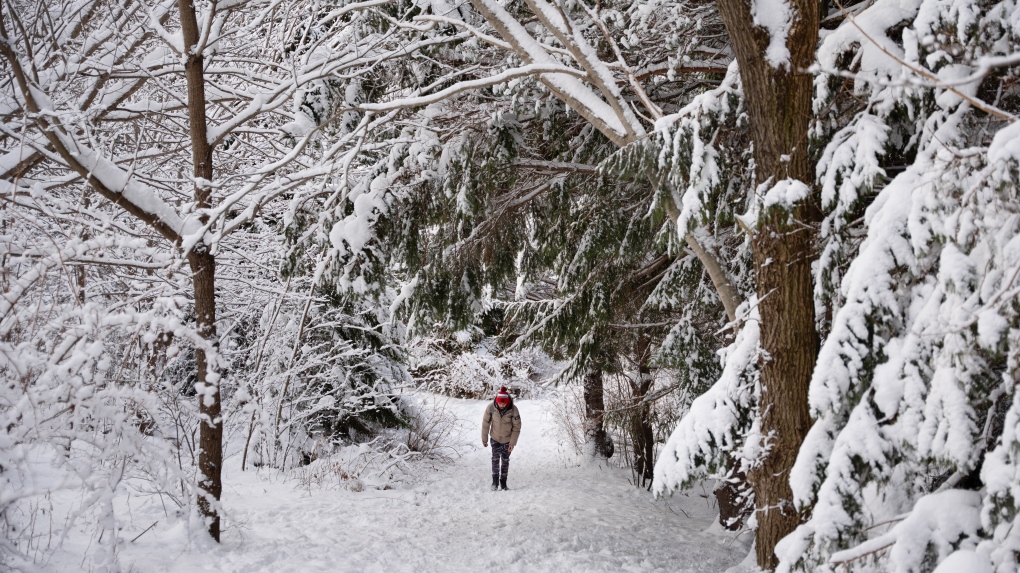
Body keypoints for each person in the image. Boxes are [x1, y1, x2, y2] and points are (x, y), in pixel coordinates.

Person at [481, 386, 521, 491]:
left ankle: (503, 482)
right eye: (500, 403)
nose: (501, 405)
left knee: (505, 460)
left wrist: (512, 443)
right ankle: (495, 482)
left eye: (503, 403)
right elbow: (486, 423)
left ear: (507, 402)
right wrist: (484, 439)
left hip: (507, 440)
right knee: (495, 459)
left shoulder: (513, 410)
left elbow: (517, 427)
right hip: (495, 438)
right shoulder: (491, 408)